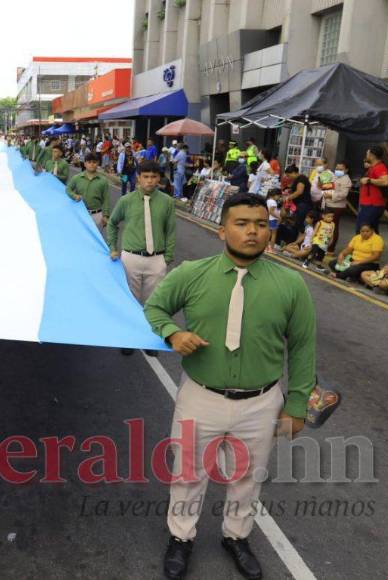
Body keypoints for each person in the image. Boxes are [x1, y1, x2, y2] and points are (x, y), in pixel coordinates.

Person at [144, 192, 316, 580]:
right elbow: (153, 308)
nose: (252, 231)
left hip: (262, 402)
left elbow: (303, 347)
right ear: (222, 230)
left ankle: (236, 536)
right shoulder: (191, 274)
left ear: (269, 232)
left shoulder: (291, 284)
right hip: (201, 395)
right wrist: (172, 333)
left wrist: (297, 405)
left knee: (247, 476)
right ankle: (181, 536)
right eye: (242, 224)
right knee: (188, 472)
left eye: (261, 224)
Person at [108, 161, 176, 357]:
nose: (150, 181)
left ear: (159, 179)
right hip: (131, 258)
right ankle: (129, 339)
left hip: (157, 259)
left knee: (153, 303)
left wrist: (167, 257)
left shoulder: (167, 202)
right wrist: (113, 248)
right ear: (138, 178)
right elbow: (112, 223)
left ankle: (149, 340)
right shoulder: (126, 200)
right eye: (146, 176)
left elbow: (171, 231)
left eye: (154, 177)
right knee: (130, 302)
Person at [66, 152, 110, 234]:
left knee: (94, 237)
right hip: (80, 213)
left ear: (98, 164)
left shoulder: (103, 181)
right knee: (79, 235)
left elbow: (106, 199)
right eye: (89, 162)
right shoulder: (77, 178)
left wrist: (105, 215)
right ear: (85, 164)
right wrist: (74, 195)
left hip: (96, 215)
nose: (92, 164)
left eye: (94, 162)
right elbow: (68, 189)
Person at [357, 146, 388, 233]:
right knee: (372, 230)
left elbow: (386, 181)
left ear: (372, 155)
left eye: (367, 154)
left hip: (372, 205)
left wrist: (369, 180)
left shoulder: (380, 167)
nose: (366, 156)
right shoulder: (373, 167)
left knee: (363, 230)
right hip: (368, 204)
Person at [322, 162, 351, 252]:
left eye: (341, 169)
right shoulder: (333, 176)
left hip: (337, 206)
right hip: (328, 204)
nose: (338, 171)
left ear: (346, 170)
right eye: (337, 168)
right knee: (326, 226)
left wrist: (331, 195)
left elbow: (343, 194)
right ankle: (323, 246)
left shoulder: (346, 180)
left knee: (333, 226)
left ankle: (331, 248)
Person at [283, 165, 313, 233]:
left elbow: (299, 191)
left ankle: (297, 237)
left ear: (294, 172)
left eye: (288, 175)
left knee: (299, 224)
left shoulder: (301, 179)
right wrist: (289, 191)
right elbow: (296, 189)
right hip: (300, 204)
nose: (288, 177)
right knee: (296, 222)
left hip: (303, 204)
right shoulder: (297, 179)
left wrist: (288, 197)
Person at [265, 188, 282, 253]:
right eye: (279, 196)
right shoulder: (273, 202)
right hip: (273, 219)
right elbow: (271, 211)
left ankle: (266, 247)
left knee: (268, 234)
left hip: (268, 218)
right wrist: (278, 217)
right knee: (274, 235)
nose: (279, 198)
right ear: (275, 195)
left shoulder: (268, 200)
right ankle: (271, 248)